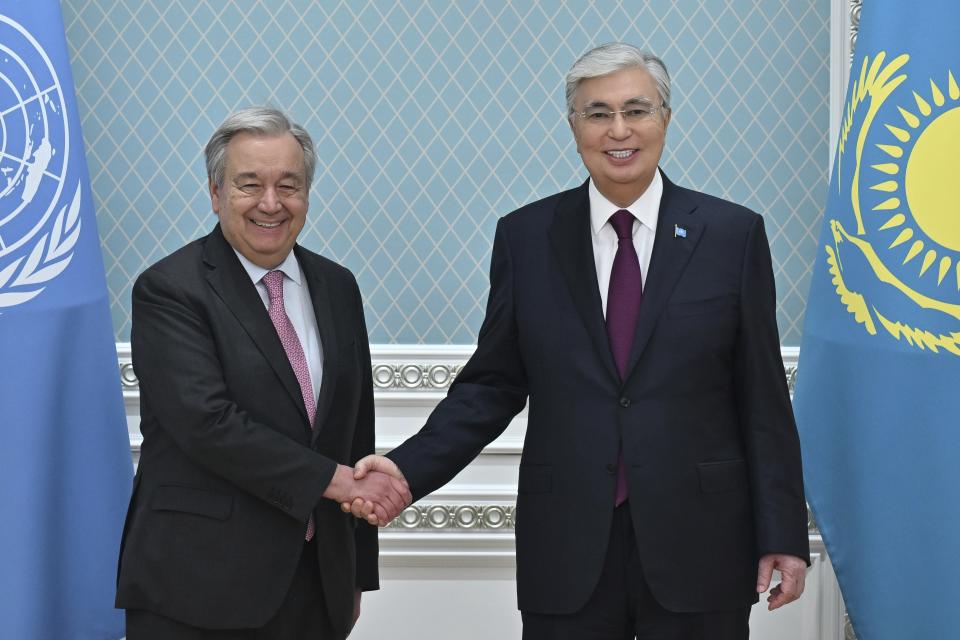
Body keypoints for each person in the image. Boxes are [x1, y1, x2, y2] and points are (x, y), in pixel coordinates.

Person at [348, 43, 810, 639]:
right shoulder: (526, 237)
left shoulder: (731, 235)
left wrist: (782, 535)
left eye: (636, 110)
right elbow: (492, 384)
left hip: (701, 542)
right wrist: (406, 471)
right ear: (573, 127)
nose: (618, 130)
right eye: (597, 113)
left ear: (665, 118)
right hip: (567, 544)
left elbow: (763, 399)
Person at [115, 106, 410, 639]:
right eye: (249, 185)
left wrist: (357, 576)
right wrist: (337, 482)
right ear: (216, 192)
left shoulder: (338, 286)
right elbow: (208, 424)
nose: (271, 204)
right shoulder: (170, 289)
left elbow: (353, 430)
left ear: (307, 193)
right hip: (197, 587)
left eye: (288, 186)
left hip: (318, 585)